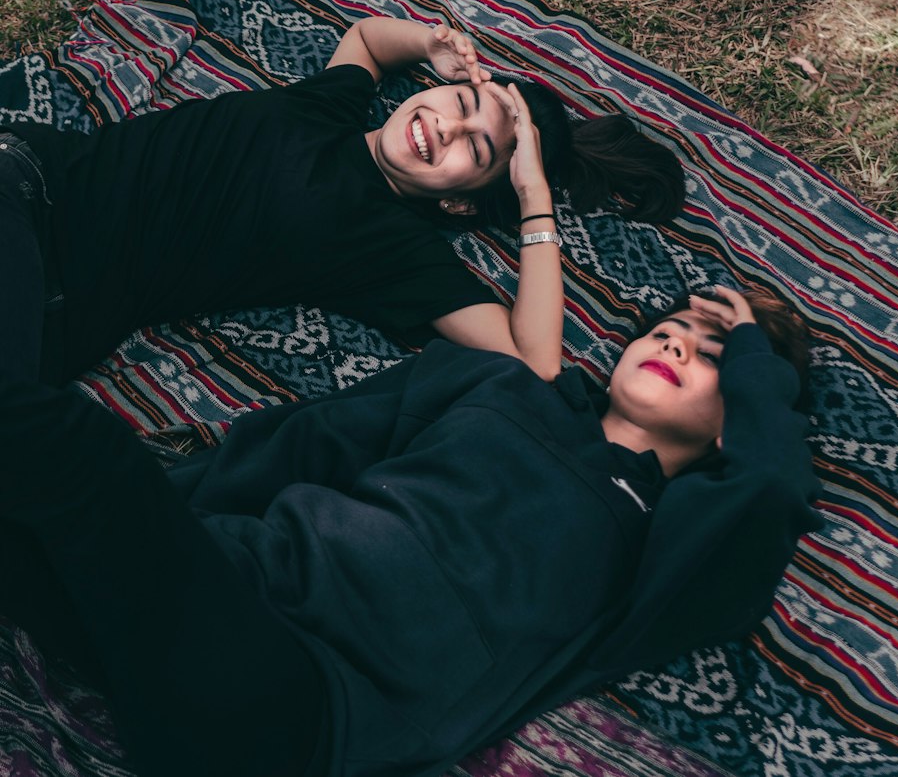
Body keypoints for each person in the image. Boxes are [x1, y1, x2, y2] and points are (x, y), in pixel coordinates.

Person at [0, 283, 820, 777]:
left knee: (74, 445)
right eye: (670, 324)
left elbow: (769, 488)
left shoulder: (666, 543)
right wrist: (168, 514)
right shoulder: (495, 385)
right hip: (214, 585)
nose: (676, 337)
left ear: (739, 418)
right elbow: (304, 443)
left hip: (298, 708)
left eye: (713, 352)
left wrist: (757, 353)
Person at [0, 14, 683, 388]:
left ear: (461, 207)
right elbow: (364, 39)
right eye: (462, 103)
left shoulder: (391, 248)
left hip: (56, 299)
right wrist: (430, 45)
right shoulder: (331, 105)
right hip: (31, 176)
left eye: (473, 152)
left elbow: (534, 359)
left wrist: (534, 199)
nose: (445, 125)